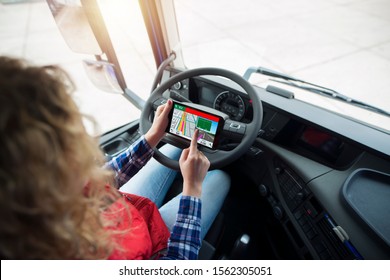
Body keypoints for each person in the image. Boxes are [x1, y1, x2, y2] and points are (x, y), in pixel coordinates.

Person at [0, 56, 230, 259]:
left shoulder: (40, 200)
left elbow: (97, 183)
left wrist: (151, 137)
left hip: (131, 216)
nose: (87, 150)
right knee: (220, 178)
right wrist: (192, 188)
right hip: (152, 250)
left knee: (172, 149)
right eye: (72, 142)